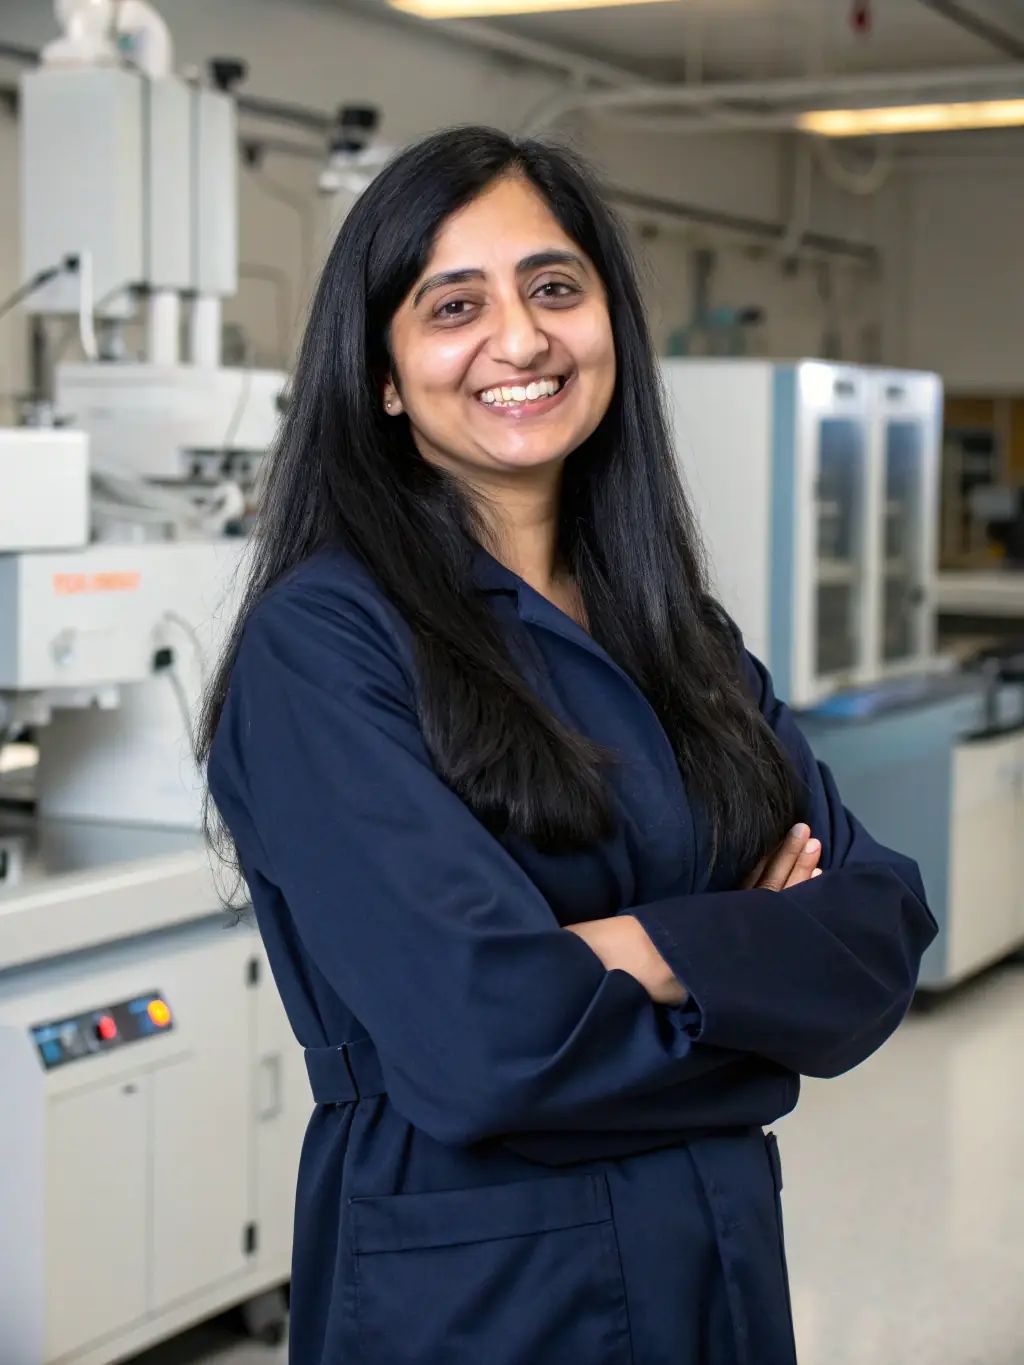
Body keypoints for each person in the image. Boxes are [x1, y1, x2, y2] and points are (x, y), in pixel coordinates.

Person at [199, 126, 936, 1365]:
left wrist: (623, 952)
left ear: (609, 324)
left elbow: (878, 935)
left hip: (714, 1264)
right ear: (381, 373)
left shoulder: (676, 631)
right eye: (453, 305)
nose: (522, 338)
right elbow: (484, 1042)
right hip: (481, 1296)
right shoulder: (324, 649)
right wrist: (746, 989)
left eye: (554, 288)